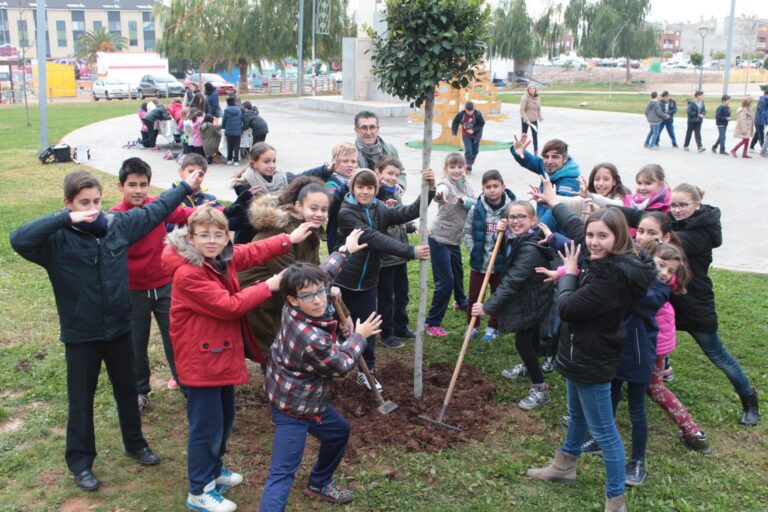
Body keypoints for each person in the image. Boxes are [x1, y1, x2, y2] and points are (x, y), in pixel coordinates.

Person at [10, 168, 204, 492]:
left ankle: (136, 443)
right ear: (68, 203)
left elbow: (156, 210)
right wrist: (64, 219)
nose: (92, 209)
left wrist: (185, 185)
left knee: (127, 391)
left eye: (96, 201)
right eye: (83, 203)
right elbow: (18, 239)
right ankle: (81, 462)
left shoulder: (117, 226)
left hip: (119, 328)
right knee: (81, 400)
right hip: (81, 334)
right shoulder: (55, 241)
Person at [526, 206, 655, 512]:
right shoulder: (606, 260)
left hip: (591, 360)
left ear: (618, 237)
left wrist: (569, 273)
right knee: (577, 415)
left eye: (603, 236)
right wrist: (555, 202)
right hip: (578, 352)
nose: (594, 242)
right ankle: (564, 466)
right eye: (591, 235)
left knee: (605, 433)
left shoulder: (611, 277)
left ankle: (616, 502)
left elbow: (567, 308)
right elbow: (575, 225)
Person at [612, 184, 760, 426]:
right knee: (657, 340)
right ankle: (659, 372)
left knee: (718, 355)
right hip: (667, 304)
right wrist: (599, 203)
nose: (677, 210)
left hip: (694, 306)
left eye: (683, 205)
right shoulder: (675, 224)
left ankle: (749, 400)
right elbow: (642, 217)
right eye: (673, 205)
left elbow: (655, 231)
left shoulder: (699, 235)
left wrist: (644, 233)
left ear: (697, 205)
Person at [260, 244, 380, 511]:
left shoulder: (294, 307)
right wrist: (359, 336)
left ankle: (319, 482)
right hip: (294, 408)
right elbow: (341, 366)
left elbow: (324, 273)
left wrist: (344, 251)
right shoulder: (311, 338)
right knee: (282, 472)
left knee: (338, 433)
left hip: (309, 398)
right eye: (308, 296)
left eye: (320, 292)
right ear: (293, 299)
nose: (317, 300)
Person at [335, 168, 433, 390]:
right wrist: (410, 251)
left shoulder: (378, 207)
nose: (365, 192)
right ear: (352, 188)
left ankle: (367, 372)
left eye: (370, 187)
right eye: (360, 187)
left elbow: (409, 211)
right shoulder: (346, 212)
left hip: (368, 281)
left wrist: (429, 187)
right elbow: (373, 238)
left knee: (368, 326)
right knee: (339, 327)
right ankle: (330, 366)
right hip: (344, 280)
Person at [471, 200, 554, 410]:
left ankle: (540, 388)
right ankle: (528, 366)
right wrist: (498, 233)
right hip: (534, 294)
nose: (516, 221)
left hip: (533, 299)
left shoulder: (531, 249)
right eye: (512, 217)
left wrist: (487, 307)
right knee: (531, 338)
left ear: (533, 220)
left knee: (523, 342)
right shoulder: (518, 237)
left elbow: (512, 281)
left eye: (521, 217)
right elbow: (504, 248)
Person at [238, 178, 330, 358]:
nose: (319, 214)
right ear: (298, 206)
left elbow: (315, 272)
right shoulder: (281, 232)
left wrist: (335, 299)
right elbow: (292, 280)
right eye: (313, 208)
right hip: (261, 301)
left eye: (324, 209)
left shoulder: (309, 230)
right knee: (277, 351)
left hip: (282, 296)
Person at [462, 169, 516, 342]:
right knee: (474, 297)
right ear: (483, 189)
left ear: (503, 187)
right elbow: (467, 231)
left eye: (495, 186)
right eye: (488, 187)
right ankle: (473, 326)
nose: (492, 190)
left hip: (500, 264)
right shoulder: (476, 209)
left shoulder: (511, 210)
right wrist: (473, 250)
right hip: (480, 263)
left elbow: (518, 234)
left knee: (497, 296)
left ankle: (493, 326)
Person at [425, 152, 474, 337]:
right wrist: (439, 194)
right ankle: (432, 322)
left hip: (454, 238)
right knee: (446, 281)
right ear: (445, 169)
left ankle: (461, 301)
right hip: (439, 238)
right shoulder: (445, 184)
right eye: (452, 167)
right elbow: (440, 192)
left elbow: (476, 202)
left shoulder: (466, 184)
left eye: (460, 167)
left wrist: (465, 201)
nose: (456, 170)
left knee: (458, 272)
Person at [374, 156, 416, 349]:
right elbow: (375, 224)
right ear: (378, 172)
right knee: (386, 298)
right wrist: (385, 210)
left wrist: (411, 226)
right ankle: (387, 332)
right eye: (389, 173)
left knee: (402, 293)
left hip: (400, 255)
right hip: (385, 257)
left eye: (396, 174)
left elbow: (400, 217)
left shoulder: (395, 193)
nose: (393, 178)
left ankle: (401, 326)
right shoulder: (374, 194)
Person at [510, 134, 580, 230]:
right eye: (546, 157)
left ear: (565, 159)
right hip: (543, 228)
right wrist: (519, 152)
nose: (549, 161)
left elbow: (555, 211)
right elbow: (531, 161)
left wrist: (536, 232)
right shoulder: (549, 169)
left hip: (557, 234)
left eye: (555, 157)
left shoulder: (569, 183)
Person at [354, 111, 406, 190]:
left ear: (378, 129)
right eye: (364, 128)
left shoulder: (390, 150)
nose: (368, 132)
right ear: (356, 130)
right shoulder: (351, 153)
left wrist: (399, 185)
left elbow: (401, 172)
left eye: (372, 127)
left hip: (389, 194)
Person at [451, 100, 485, 173]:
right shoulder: (461, 114)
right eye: (468, 111)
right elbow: (455, 122)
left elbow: (482, 123)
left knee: (475, 151)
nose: (470, 112)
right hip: (466, 134)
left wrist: (473, 130)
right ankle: (468, 167)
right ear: (465, 109)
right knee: (468, 150)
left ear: (473, 109)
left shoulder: (477, 114)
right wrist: (454, 132)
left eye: (471, 111)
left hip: (476, 135)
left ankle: (472, 158)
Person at [520, 84, 543, 155]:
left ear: (535, 90)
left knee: (535, 136)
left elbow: (538, 108)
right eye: (530, 88)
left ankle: (535, 152)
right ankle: (521, 150)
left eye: (533, 88)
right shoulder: (525, 97)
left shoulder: (537, 97)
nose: (532, 90)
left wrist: (540, 117)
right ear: (528, 90)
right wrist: (527, 120)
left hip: (534, 119)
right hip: (526, 120)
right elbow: (522, 110)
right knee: (524, 136)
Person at [221, 95, 243, 166]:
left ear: (227, 102)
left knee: (229, 145)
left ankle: (229, 160)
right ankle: (236, 161)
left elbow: (224, 120)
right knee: (237, 146)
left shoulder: (226, 110)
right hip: (238, 131)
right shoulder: (238, 109)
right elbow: (241, 118)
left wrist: (223, 127)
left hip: (229, 131)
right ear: (234, 102)